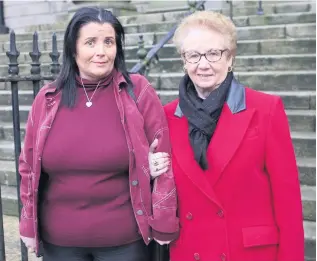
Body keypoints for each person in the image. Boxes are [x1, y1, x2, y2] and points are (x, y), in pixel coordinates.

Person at [19, 7, 178, 261]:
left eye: (108, 42)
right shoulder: (47, 99)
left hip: (125, 243)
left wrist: (164, 219)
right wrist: (28, 224)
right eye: (90, 42)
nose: (101, 52)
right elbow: (28, 166)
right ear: (74, 49)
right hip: (59, 244)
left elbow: (164, 159)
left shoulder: (137, 91)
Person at [148, 10, 304, 261]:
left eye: (213, 53)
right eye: (193, 55)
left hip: (248, 253)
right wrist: (151, 173)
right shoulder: (166, 116)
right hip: (191, 251)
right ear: (183, 60)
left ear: (230, 58)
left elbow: (288, 203)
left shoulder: (266, 109)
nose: (203, 64)